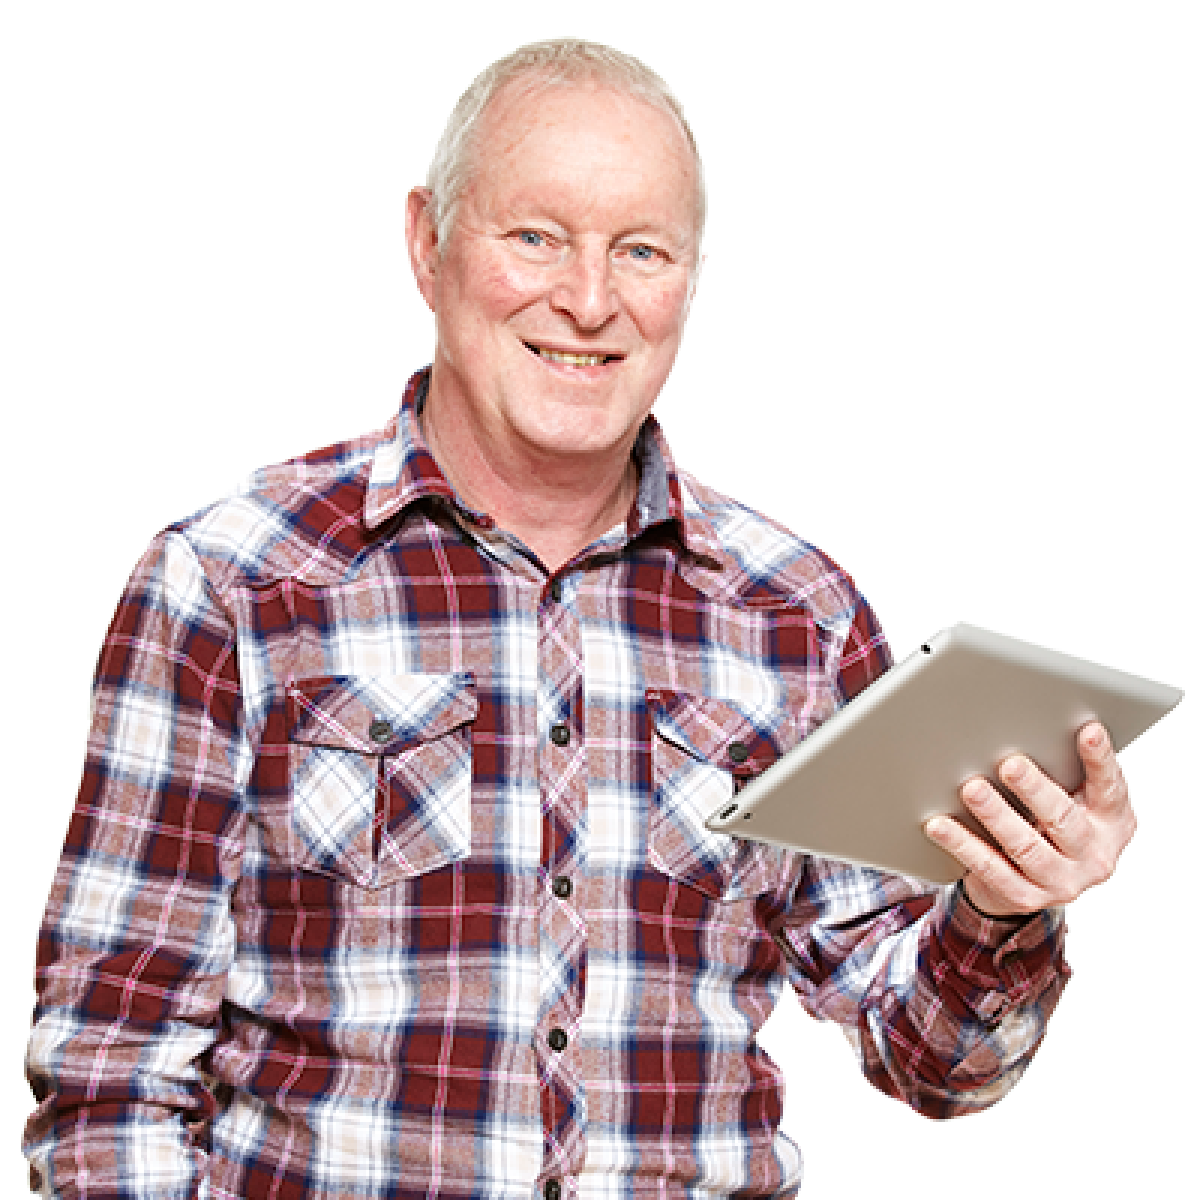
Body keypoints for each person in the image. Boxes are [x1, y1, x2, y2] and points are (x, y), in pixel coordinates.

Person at [24, 36, 1138, 1199]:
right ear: (427, 241)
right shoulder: (233, 583)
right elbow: (112, 1078)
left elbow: (933, 1063)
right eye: (537, 238)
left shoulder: (795, 613)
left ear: (693, 278)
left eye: (640, 252)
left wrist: (1004, 904)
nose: (590, 301)